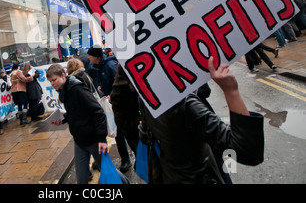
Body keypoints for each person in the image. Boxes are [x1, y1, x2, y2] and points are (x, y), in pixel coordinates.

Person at [136, 57, 264, 184]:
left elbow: (145, 134)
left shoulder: (145, 94)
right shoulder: (184, 104)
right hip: (199, 177)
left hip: (170, 175)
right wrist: (231, 91)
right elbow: (247, 151)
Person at [47, 63, 109, 184]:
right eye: (50, 81)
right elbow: (76, 113)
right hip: (79, 140)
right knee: (81, 177)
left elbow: (98, 112)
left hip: (94, 140)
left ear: (63, 75)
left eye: (54, 80)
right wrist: (63, 119)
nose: (52, 84)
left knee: (108, 172)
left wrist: (101, 139)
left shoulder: (77, 89)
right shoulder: (64, 90)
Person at [87, 45, 134, 173]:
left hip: (120, 105)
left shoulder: (109, 65)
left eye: (90, 56)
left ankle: (128, 159)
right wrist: (103, 87)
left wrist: (111, 94)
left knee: (123, 132)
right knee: (119, 133)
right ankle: (127, 159)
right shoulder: (100, 66)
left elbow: (120, 82)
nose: (88, 58)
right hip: (113, 103)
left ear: (96, 57)